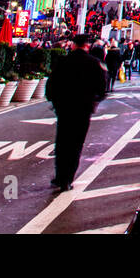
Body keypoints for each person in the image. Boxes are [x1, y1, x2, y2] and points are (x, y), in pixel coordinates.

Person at [45, 35, 108, 191]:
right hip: (83, 109)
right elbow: (102, 89)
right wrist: (94, 102)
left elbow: (51, 85)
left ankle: (60, 176)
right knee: (76, 144)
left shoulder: (62, 61)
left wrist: (54, 102)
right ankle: (68, 178)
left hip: (64, 108)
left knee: (62, 142)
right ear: (87, 46)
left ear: (73, 45)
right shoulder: (94, 64)